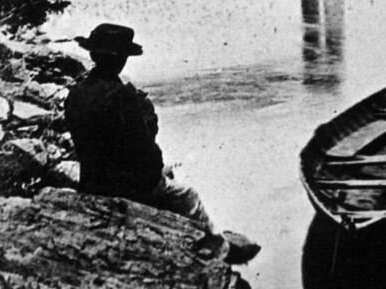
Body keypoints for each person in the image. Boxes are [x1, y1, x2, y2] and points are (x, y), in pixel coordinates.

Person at [64, 23, 259, 265]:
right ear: (121, 60)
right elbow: (147, 156)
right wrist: (147, 119)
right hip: (126, 187)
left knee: (165, 181)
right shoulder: (124, 98)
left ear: (93, 55)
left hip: (92, 182)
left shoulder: (76, 94)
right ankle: (219, 254)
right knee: (188, 195)